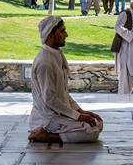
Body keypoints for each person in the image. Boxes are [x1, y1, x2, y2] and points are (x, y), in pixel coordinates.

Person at [28, 15, 104, 143]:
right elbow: (50, 99)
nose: (66, 34)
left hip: (60, 113)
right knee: (91, 132)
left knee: (97, 123)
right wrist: (78, 117)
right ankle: (45, 135)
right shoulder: (45, 62)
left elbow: (63, 93)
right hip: (47, 117)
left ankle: (54, 133)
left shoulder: (56, 55)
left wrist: (80, 111)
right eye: (62, 31)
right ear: (50, 35)